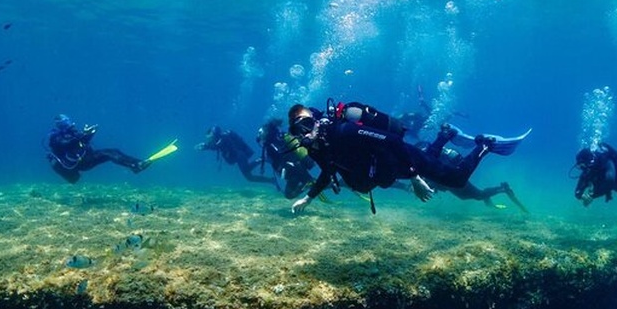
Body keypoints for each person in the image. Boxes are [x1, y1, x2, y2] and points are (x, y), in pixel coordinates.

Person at [287, 101, 526, 214]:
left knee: (456, 180)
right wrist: (308, 199)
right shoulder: (318, 149)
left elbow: (392, 141)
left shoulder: (344, 130)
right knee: (432, 165)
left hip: (401, 158)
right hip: (388, 169)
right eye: (298, 130)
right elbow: (327, 172)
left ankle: (484, 146)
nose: (306, 133)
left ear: (317, 120)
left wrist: (414, 177)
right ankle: (444, 136)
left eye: (308, 124)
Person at [46, 114, 150, 184]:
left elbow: (83, 141)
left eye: (68, 121)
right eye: (64, 122)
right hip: (77, 164)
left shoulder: (72, 133)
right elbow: (66, 144)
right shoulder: (55, 136)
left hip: (85, 158)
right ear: (59, 125)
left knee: (113, 151)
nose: (68, 123)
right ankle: (135, 165)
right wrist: (82, 135)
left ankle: (137, 164)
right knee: (108, 154)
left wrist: (89, 133)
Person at [255, 118, 316, 199]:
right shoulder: (271, 142)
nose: (259, 135)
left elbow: (283, 154)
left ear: (266, 131)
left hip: (296, 168)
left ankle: (316, 183)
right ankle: (309, 184)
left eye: (260, 132)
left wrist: (286, 165)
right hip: (293, 172)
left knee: (314, 185)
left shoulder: (273, 141)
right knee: (289, 195)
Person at [195, 126, 274, 185]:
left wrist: (205, 146)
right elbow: (216, 146)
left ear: (215, 134)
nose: (210, 139)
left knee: (248, 174)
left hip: (239, 156)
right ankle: (271, 180)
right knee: (249, 177)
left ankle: (262, 160)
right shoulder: (222, 138)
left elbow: (216, 146)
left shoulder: (223, 138)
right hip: (239, 156)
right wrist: (206, 146)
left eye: (211, 137)